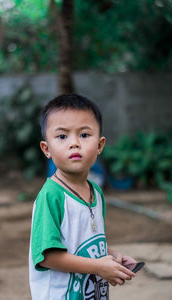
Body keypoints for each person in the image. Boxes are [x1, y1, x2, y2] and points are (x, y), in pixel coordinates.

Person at [29, 94, 136, 300]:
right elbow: (47, 256)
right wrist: (98, 267)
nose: (74, 143)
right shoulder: (51, 196)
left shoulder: (96, 192)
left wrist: (112, 257)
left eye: (84, 135)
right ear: (46, 149)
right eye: (62, 136)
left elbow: (82, 242)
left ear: (100, 145)